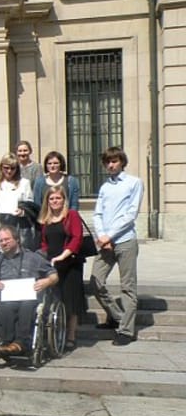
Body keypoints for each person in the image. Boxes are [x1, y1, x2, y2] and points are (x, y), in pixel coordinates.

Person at [91, 147, 144, 346]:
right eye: (107, 162)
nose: (111, 165)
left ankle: (126, 331)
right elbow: (97, 214)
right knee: (96, 281)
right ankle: (117, 316)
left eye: (114, 161)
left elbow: (130, 214)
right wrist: (102, 235)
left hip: (125, 241)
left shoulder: (134, 183)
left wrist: (109, 235)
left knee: (128, 287)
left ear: (122, 161)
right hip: (106, 242)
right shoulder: (105, 187)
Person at [0, 226, 59, 356]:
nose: (4, 243)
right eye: (1, 240)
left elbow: (54, 275)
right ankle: (6, 342)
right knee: (5, 308)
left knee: (26, 306)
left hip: (29, 297)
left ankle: (20, 343)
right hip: (8, 297)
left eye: (7, 239)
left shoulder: (33, 257)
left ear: (17, 239)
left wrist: (46, 281)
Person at [39, 185, 87, 351]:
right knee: (55, 299)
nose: (54, 201)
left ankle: (71, 336)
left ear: (64, 199)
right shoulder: (46, 219)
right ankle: (56, 331)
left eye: (58, 198)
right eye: (51, 199)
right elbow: (44, 243)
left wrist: (62, 256)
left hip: (70, 263)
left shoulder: (71, 215)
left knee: (70, 301)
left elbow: (76, 238)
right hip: (53, 265)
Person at [0, 153, 36, 249]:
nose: (9, 171)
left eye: (13, 168)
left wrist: (23, 211)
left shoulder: (24, 183)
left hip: (17, 223)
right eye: (6, 168)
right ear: (1, 167)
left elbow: (29, 204)